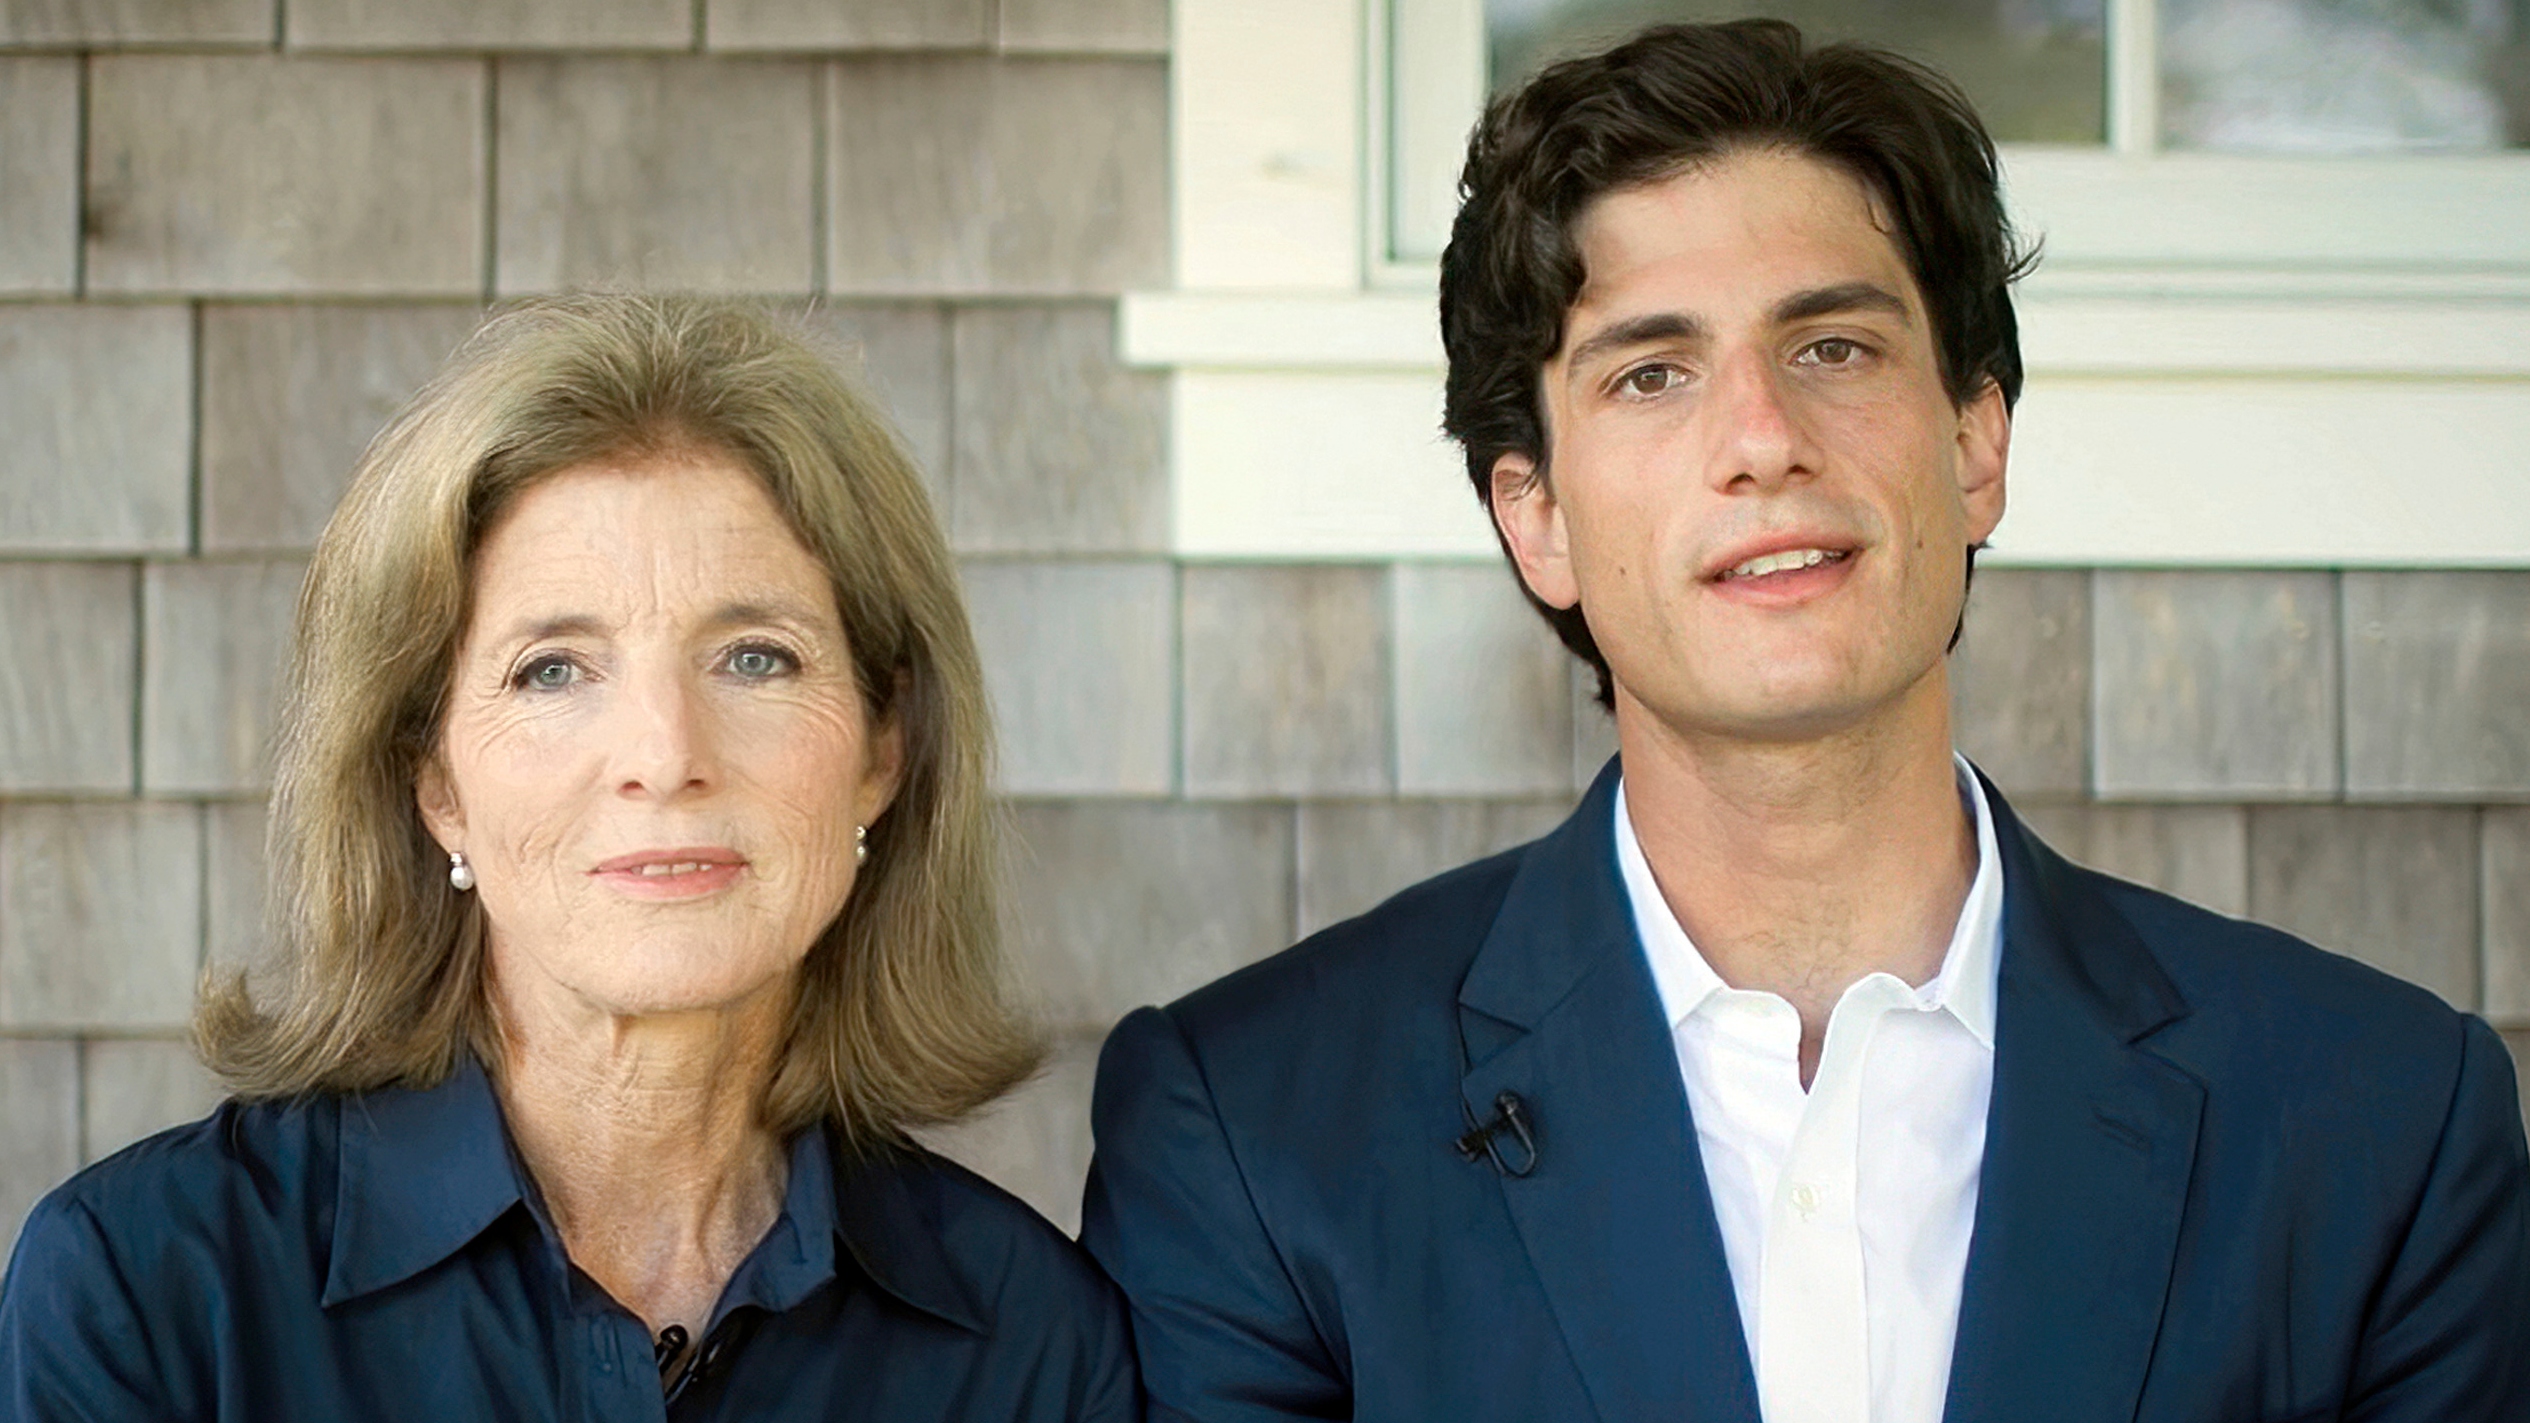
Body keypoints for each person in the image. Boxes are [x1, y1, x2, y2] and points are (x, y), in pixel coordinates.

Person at [1080, 20, 2530, 1423]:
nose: (1762, 435)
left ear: (1974, 443)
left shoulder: (2380, 1123)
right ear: (1535, 518)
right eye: (1651, 372)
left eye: (1832, 346)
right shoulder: (1256, 1130)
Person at [0, 295, 1137, 1421]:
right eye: (553, 668)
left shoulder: (1034, 1342)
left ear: (882, 752)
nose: (664, 754)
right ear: (435, 783)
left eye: (755, 657)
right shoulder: (148, 1292)